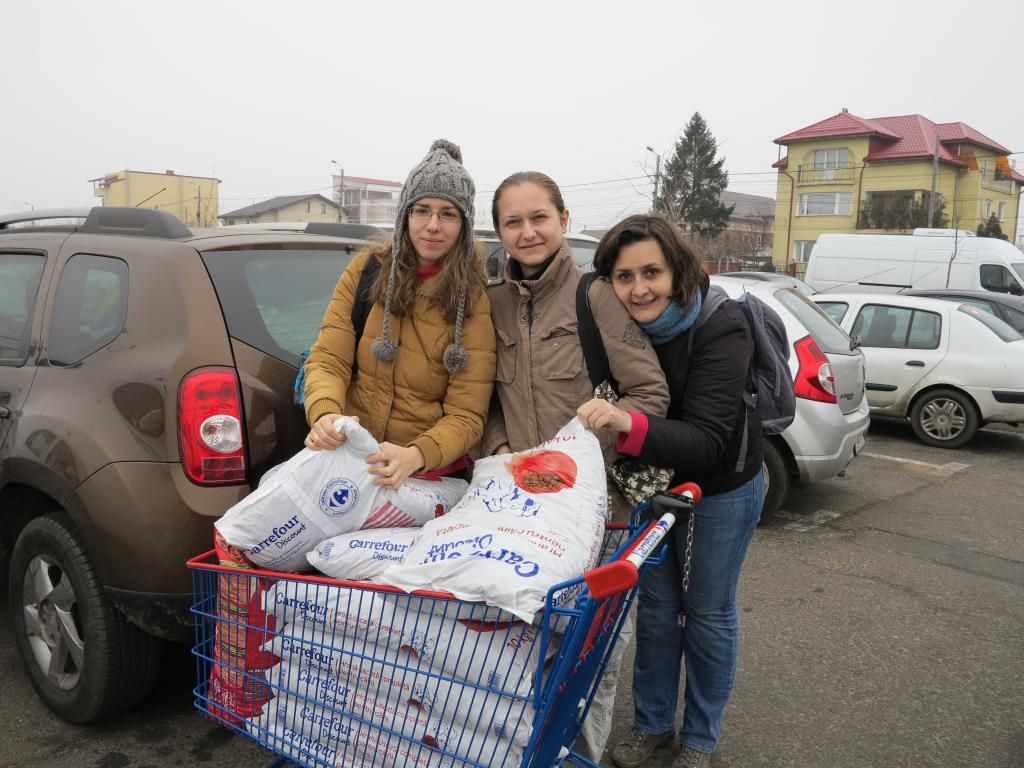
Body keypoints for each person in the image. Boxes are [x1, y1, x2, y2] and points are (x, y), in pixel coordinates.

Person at [485, 171, 670, 761]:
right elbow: (486, 402)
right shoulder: (491, 305)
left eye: (539, 217)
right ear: (499, 233)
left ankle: (583, 758)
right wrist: (496, 450)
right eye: (513, 221)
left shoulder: (595, 298)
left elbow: (650, 395)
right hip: (523, 513)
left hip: (600, 517)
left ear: (563, 220)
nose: (528, 231)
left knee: (593, 661)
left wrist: (610, 422)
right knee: (523, 655)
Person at [577, 214, 766, 768]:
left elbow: (708, 439)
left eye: (651, 272)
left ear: (677, 269)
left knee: (706, 611)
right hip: (653, 485)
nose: (639, 289)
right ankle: (652, 726)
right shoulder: (621, 326)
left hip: (722, 485)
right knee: (658, 611)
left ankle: (700, 738)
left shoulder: (720, 324)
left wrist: (623, 423)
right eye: (624, 276)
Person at [303, 139, 496, 487]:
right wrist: (325, 413)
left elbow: (467, 415)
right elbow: (329, 359)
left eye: (448, 214)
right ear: (405, 215)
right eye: (422, 210)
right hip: (352, 459)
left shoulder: (475, 299)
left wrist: (417, 455)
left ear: (464, 224)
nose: (433, 225)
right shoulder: (367, 270)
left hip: (428, 477)